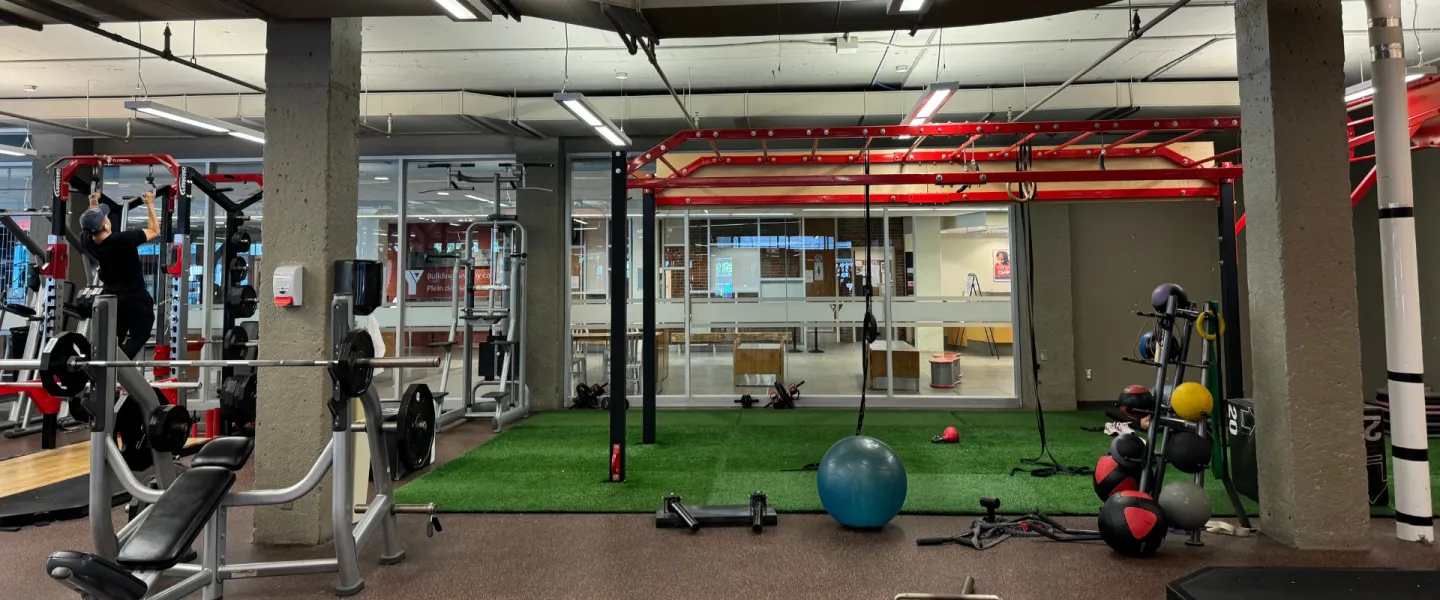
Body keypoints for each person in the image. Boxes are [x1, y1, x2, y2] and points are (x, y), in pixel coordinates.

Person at [80, 191, 159, 359]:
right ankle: (119, 367)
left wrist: (93, 206)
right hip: (135, 299)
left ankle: (106, 372)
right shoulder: (122, 240)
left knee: (114, 338)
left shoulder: (87, 241)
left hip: (113, 299)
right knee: (140, 335)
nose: (108, 219)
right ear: (107, 225)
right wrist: (150, 204)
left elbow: (90, 227)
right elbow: (154, 230)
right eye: (106, 218)